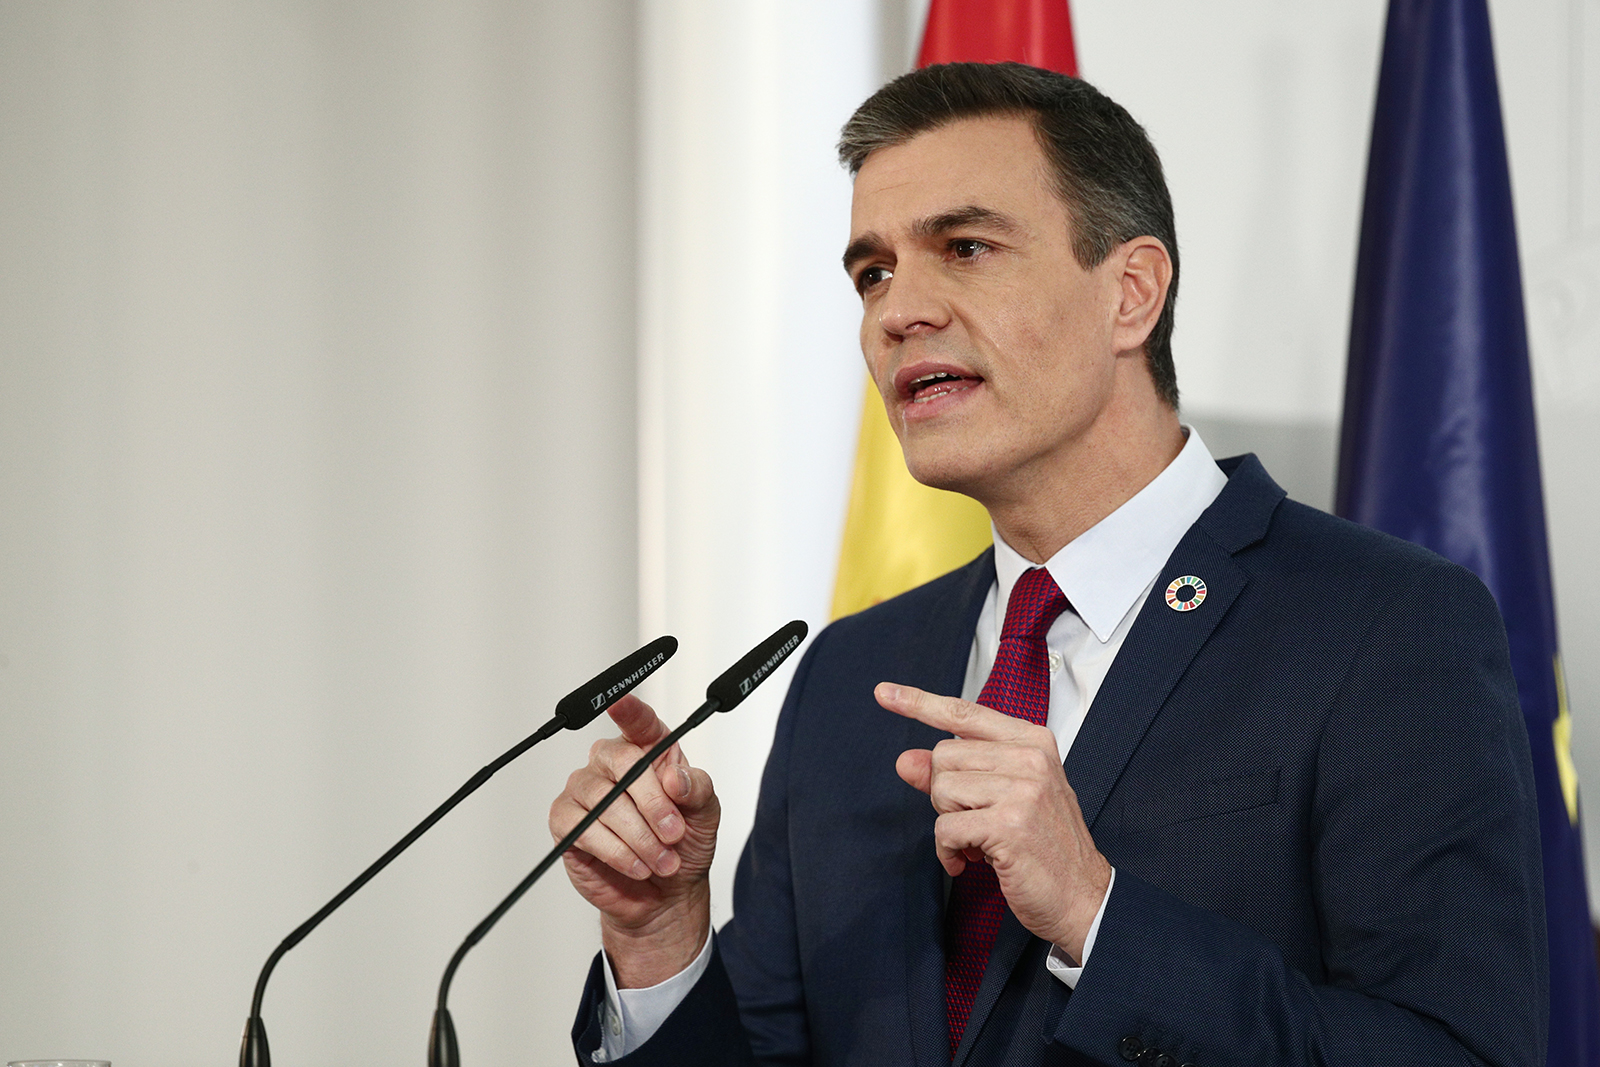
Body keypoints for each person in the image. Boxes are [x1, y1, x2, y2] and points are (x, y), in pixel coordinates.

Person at [549, 63, 1547, 1067]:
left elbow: (1459, 1050)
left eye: (966, 247)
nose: (896, 312)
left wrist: (1095, 913)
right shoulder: (852, 676)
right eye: (873, 272)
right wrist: (659, 937)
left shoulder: (1384, 623)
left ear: (1130, 293)